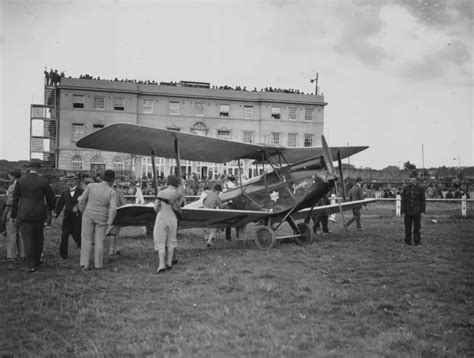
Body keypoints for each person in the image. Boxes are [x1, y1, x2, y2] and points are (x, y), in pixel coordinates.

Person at [11, 160, 56, 272]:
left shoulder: (20, 181)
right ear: (39, 169)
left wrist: (13, 215)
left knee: (27, 239)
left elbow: (15, 199)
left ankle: (30, 265)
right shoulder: (43, 181)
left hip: (24, 214)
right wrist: (50, 208)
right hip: (39, 214)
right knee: (38, 238)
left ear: (29, 168)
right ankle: (36, 261)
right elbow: (51, 198)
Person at [78, 170, 117, 270]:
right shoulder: (112, 192)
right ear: (112, 181)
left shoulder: (91, 186)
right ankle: (98, 265)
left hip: (88, 213)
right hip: (102, 216)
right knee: (99, 240)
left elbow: (81, 200)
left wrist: (84, 212)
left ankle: (85, 264)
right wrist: (109, 223)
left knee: (86, 239)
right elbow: (113, 209)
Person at [153, 175, 185, 273]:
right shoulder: (179, 193)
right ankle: (170, 262)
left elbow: (155, 207)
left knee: (161, 241)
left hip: (161, 217)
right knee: (171, 240)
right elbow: (181, 205)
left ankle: (161, 264)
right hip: (173, 219)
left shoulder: (161, 192)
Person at [54, 174, 83, 260]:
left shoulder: (82, 192)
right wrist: (56, 213)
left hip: (77, 219)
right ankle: (63, 256)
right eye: (68, 180)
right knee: (64, 237)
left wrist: (78, 206)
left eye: (72, 180)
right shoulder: (65, 192)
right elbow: (60, 204)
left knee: (77, 236)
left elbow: (85, 202)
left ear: (76, 181)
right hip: (67, 219)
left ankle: (85, 252)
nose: (70, 182)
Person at [3, 170, 25, 262]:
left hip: (12, 212)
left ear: (13, 176)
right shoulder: (25, 185)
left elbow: (9, 201)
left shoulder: (12, 187)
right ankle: (23, 254)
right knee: (21, 234)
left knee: (11, 234)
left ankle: (12, 256)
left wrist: (5, 199)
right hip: (23, 212)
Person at [401, 174, 426, 246]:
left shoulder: (420, 188)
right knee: (407, 227)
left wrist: (423, 211)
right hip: (408, 211)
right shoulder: (406, 188)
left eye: (412, 178)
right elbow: (403, 200)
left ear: (415, 179)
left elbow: (423, 201)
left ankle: (417, 241)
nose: (410, 180)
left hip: (417, 211)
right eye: (410, 178)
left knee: (417, 228)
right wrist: (402, 211)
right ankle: (407, 241)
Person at [108, 184, 127, 256]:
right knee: (114, 232)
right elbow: (124, 203)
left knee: (114, 232)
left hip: (108, 213)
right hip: (116, 213)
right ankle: (112, 249)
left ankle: (115, 248)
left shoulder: (106, 191)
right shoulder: (118, 192)